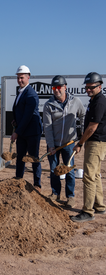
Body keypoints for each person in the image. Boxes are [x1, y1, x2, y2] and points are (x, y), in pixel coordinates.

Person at [43, 75, 85, 207]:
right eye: (54, 88)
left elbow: (83, 115)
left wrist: (82, 133)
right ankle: (55, 194)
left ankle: (70, 197)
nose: (56, 90)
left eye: (59, 87)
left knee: (69, 171)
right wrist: (50, 146)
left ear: (65, 87)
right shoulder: (49, 105)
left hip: (69, 144)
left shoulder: (75, 101)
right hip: (54, 145)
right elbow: (48, 127)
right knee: (54, 170)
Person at [71, 72, 106, 222]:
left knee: (89, 176)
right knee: (95, 174)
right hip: (96, 142)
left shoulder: (99, 101)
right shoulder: (95, 100)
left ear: (100, 86)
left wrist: (80, 143)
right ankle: (99, 206)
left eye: (91, 87)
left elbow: (92, 128)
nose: (88, 90)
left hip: (96, 142)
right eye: (86, 87)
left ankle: (87, 211)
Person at [11, 65, 42, 189]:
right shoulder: (20, 92)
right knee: (20, 157)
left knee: (34, 158)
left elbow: (28, 116)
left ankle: (37, 184)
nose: (20, 80)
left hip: (32, 132)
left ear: (28, 77)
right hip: (23, 131)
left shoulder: (31, 94)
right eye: (18, 78)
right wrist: (16, 121)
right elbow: (20, 112)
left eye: (22, 78)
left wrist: (17, 132)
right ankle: (19, 180)